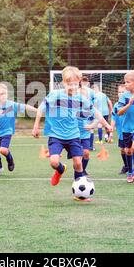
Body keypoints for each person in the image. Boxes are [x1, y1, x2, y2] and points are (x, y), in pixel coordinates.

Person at [32, 66, 103, 202]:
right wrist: (36, 126)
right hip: (56, 135)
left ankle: (79, 194)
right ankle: (60, 169)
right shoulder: (55, 95)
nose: (72, 86)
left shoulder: (81, 98)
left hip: (73, 135)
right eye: (69, 84)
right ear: (64, 83)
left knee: (78, 163)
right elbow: (40, 109)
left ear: (79, 83)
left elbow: (95, 111)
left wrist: (105, 124)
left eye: (75, 84)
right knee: (53, 162)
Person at [0, 83, 37, 175]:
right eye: (1, 94)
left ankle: (10, 161)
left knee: (3, 150)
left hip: (7, 131)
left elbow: (25, 106)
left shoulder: (11, 105)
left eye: (5, 93)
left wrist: (37, 110)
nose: (3, 96)